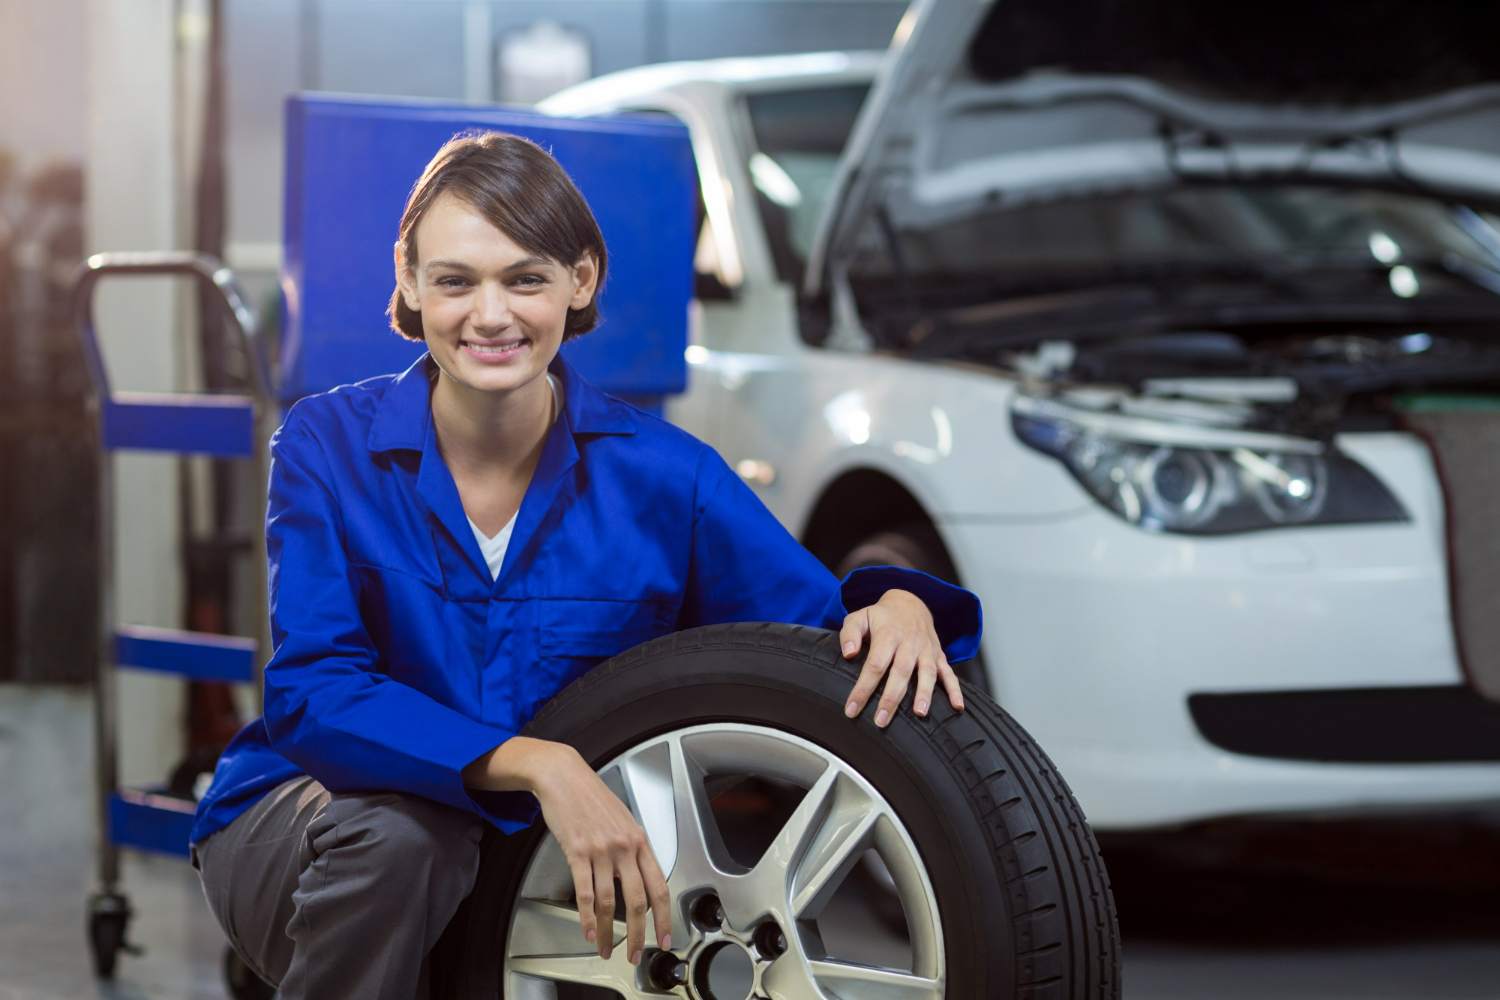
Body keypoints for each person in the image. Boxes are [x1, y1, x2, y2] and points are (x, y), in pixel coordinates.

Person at [191, 130, 981, 1000]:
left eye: (525, 278)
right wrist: (536, 761)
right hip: (317, 817)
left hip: (548, 860)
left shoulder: (667, 480)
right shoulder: (324, 444)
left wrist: (900, 606)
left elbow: (813, 639)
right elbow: (316, 694)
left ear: (581, 281)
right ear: (410, 284)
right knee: (407, 839)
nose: (490, 316)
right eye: (455, 280)